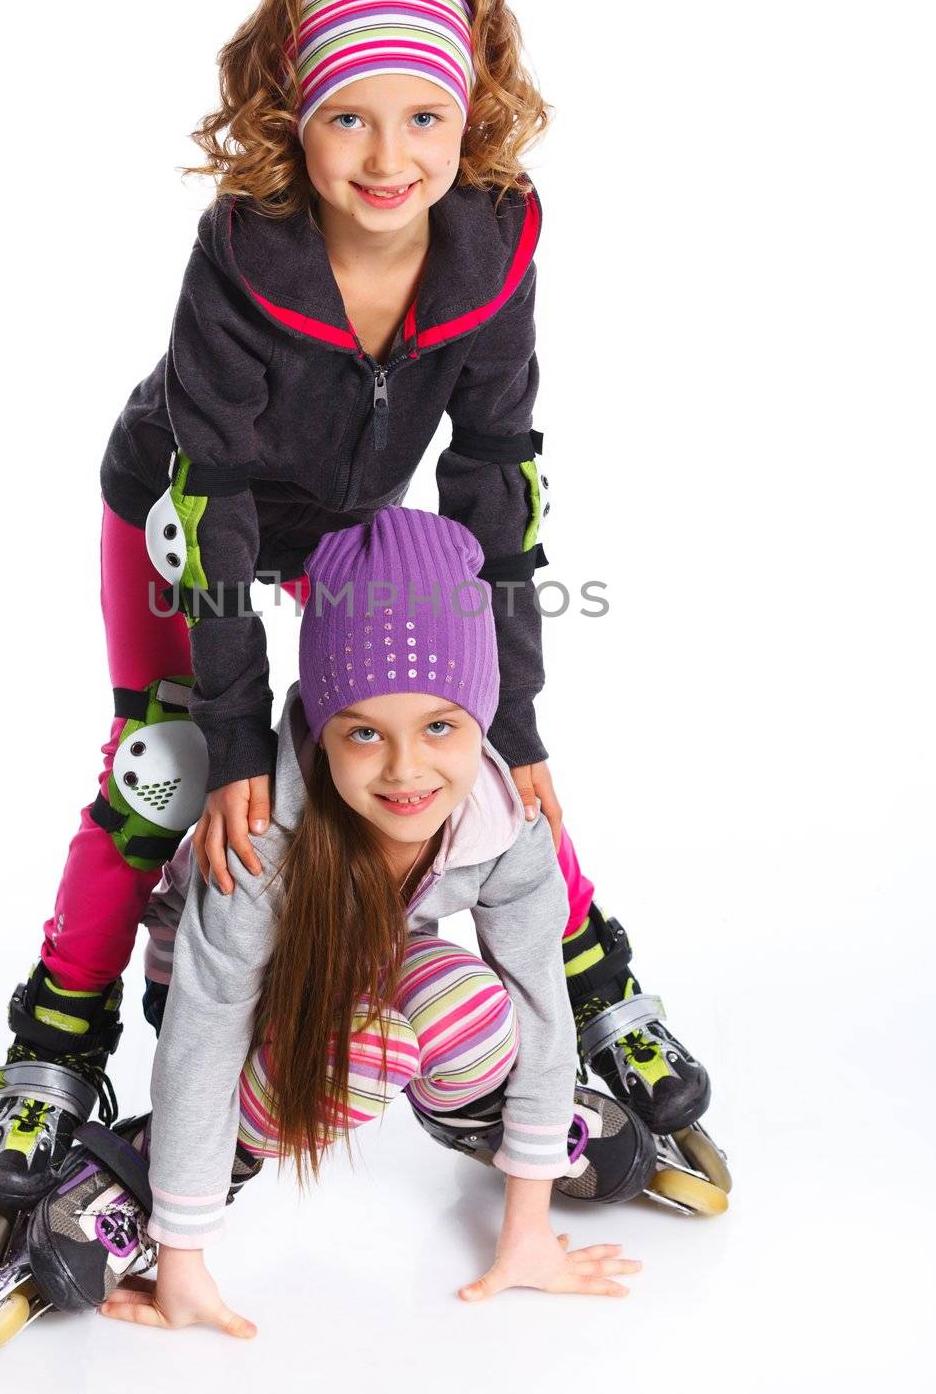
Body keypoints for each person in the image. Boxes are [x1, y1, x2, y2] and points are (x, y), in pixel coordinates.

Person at [0, 0, 710, 1223]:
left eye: (423, 116)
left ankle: (600, 999)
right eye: (347, 121)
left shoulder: (492, 249)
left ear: (468, 113)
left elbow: (492, 476)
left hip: (351, 516)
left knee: (473, 751)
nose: (387, 157)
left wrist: (517, 719)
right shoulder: (245, 259)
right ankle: (56, 1052)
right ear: (292, 125)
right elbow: (212, 512)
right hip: (186, 512)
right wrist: (239, 746)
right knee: (166, 776)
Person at [101, 508, 645, 1335]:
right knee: (366, 1049)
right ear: (322, 734)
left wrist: (527, 1228)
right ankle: (202, 1158)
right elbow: (202, 1032)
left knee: (470, 1011)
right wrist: (183, 1252)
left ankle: (482, 1123)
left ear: (482, 719)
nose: (406, 771)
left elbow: (541, 1000)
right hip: (220, 1000)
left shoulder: (508, 820)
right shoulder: (261, 843)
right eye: (364, 733)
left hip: (371, 949)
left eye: (439, 727)